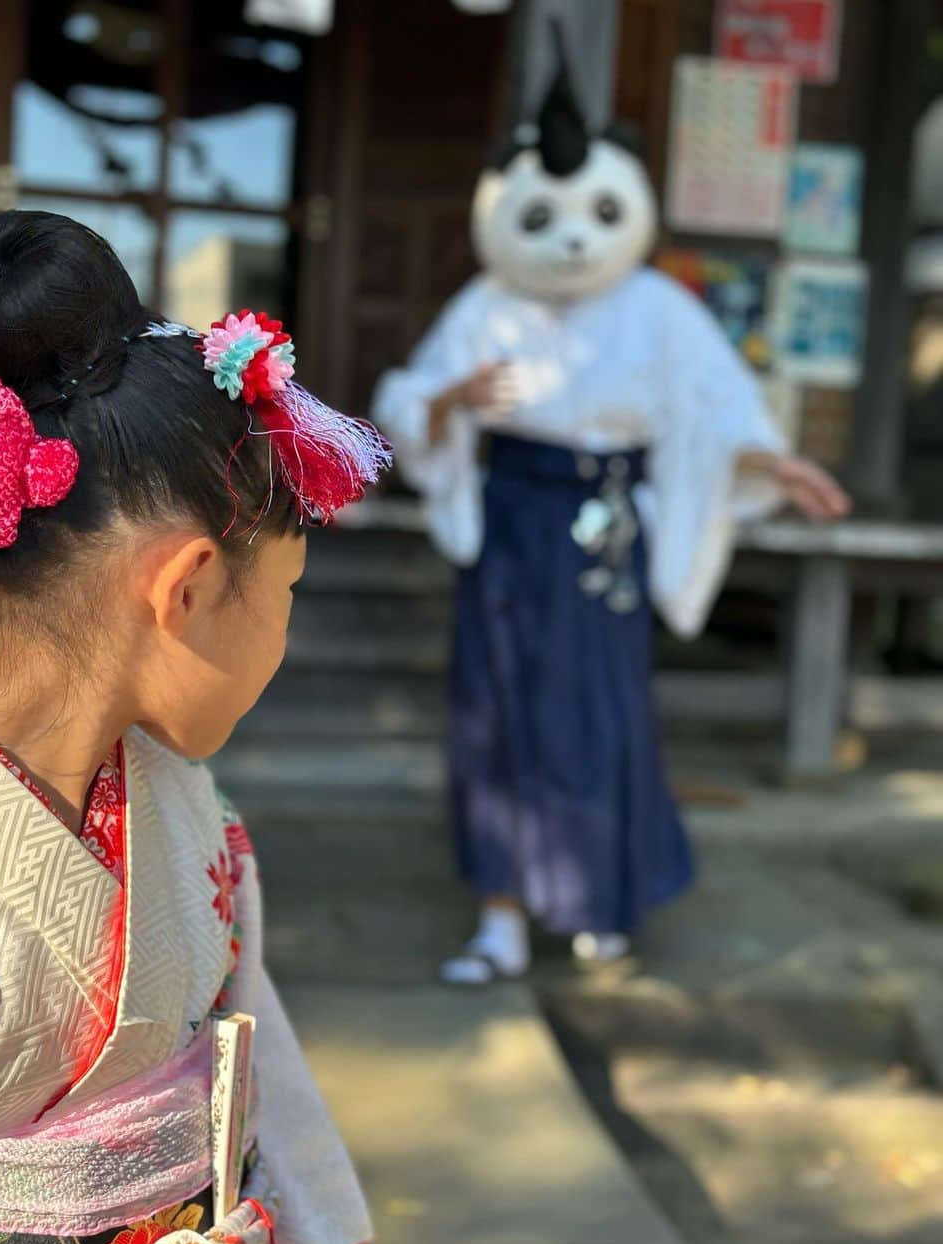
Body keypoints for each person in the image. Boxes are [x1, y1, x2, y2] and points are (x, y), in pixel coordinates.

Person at [0, 210, 393, 1244]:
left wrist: (317, 1218)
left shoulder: (169, 792)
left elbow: (241, 1012)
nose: (283, 636)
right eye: (284, 595)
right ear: (189, 588)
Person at [372, 56, 850, 986]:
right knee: (498, 714)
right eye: (543, 216)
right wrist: (451, 403)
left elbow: (716, 415)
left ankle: (598, 900)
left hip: (607, 529)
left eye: (595, 213)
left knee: (602, 710)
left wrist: (768, 462)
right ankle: (500, 916)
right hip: (513, 521)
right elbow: (412, 405)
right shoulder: (486, 305)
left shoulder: (660, 309)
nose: (571, 241)